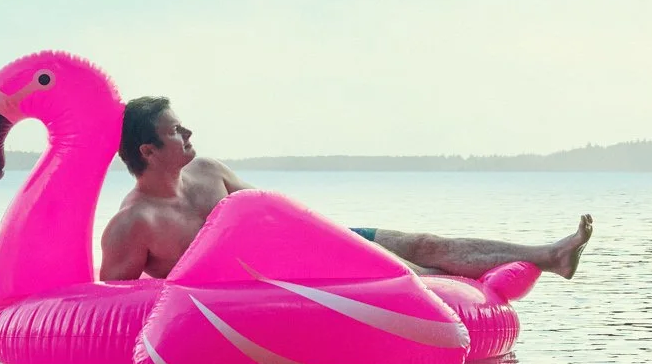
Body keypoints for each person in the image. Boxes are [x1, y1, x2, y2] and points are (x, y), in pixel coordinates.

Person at [98, 95, 594, 284]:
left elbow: (271, 211)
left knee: (425, 246)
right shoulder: (133, 223)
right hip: (279, 278)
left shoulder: (208, 171)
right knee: (415, 270)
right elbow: (116, 308)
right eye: (176, 132)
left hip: (305, 245)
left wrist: (329, 233)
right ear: (147, 150)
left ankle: (549, 255)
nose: (189, 137)